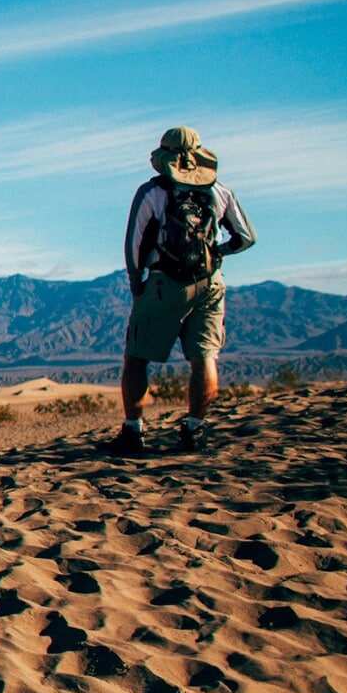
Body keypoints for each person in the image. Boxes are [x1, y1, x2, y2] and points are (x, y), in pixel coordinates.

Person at [106, 126, 256, 456]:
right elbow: (246, 237)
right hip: (210, 283)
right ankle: (194, 430)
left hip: (164, 284)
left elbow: (133, 246)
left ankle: (133, 432)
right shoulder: (221, 193)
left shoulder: (152, 193)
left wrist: (137, 283)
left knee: (136, 358)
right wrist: (218, 253)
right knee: (204, 357)